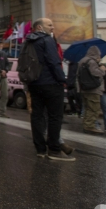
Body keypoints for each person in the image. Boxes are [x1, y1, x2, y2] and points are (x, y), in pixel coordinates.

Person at [24, 18, 72, 161]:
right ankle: (54, 150)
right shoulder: (47, 40)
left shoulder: (28, 41)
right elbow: (53, 61)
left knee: (37, 116)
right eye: (49, 25)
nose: (52, 27)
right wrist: (62, 80)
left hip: (34, 83)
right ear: (40, 27)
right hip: (50, 83)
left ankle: (40, 149)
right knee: (55, 117)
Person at [78, 46, 106, 134]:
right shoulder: (92, 62)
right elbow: (95, 73)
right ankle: (89, 126)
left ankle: (86, 124)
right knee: (94, 108)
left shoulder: (82, 61)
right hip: (93, 89)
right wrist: (102, 70)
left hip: (84, 88)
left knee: (87, 108)